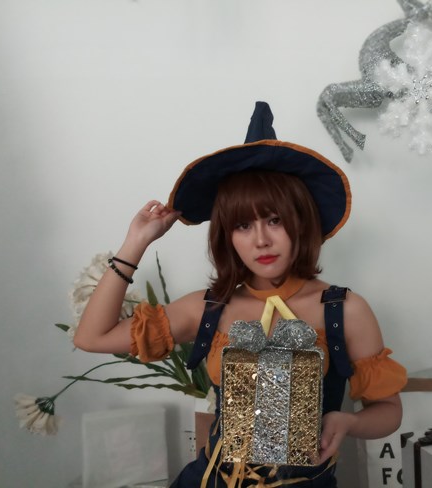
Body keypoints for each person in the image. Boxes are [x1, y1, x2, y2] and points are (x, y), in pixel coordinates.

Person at [73, 102, 407, 487]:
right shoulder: (208, 309)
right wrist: (136, 242)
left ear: (302, 222)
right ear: (227, 236)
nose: (261, 240)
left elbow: (389, 410)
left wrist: (348, 421)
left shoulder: (344, 310)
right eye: (243, 225)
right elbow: (91, 337)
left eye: (275, 220)